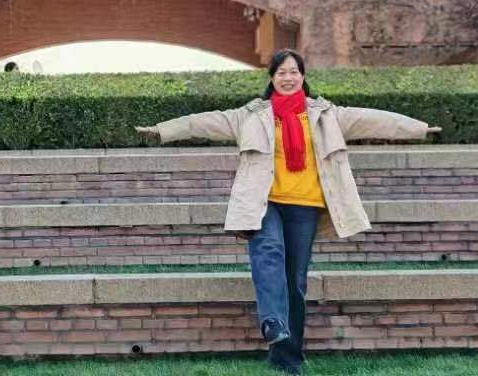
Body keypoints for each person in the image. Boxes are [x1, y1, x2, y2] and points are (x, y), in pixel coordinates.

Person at [135, 49, 440, 375]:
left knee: (294, 281)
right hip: (264, 202)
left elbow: (374, 120)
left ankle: (287, 357)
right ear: (272, 78)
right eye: (281, 72)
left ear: (303, 76)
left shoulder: (326, 115)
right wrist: (163, 130)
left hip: (305, 206)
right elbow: (205, 122)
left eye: (294, 71)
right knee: (268, 251)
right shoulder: (251, 115)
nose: (288, 77)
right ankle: (271, 321)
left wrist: (418, 129)